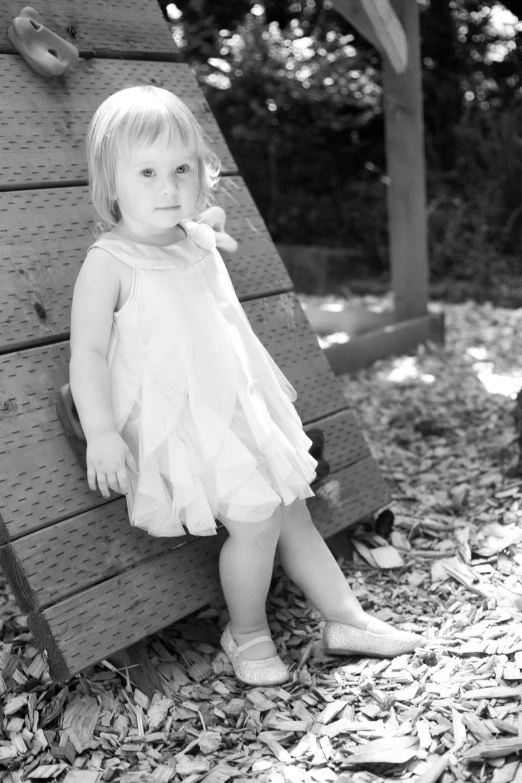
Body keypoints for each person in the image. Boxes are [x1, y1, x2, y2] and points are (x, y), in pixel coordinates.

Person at [69, 85, 425, 687]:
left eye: (181, 169)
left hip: (237, 403)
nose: (167, 187)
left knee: (293, 513)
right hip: (177, 424)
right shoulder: (110, 262)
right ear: (110, 182)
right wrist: (101, 431)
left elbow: (210, 223)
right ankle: (247, 633)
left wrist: (207, 217)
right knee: (257, 522)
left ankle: (345, 617)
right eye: (148, 172)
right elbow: (89, 351)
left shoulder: (193, 238)